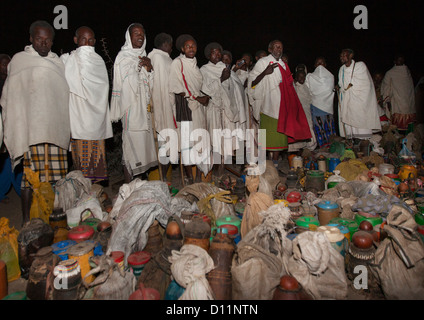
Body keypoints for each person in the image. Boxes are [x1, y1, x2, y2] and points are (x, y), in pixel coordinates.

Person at [0, 20, 70, 225]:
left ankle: (56, 219)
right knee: (29, 180)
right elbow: (11, 97)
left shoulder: (58, 63)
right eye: (39, 39)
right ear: (31, 39)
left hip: (54, 131)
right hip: (31, 132)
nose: (43, 43)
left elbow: (63, 96)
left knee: (57, 179)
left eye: (48, 40)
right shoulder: (20, 61)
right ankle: (26, 221)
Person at [61, 26, 113, 184]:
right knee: (81, 164)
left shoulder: (98, 60)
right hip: (78, 118)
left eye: (90, 40)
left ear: (95, 42)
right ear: (76, 40)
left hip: (96, 120)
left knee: (97, 162)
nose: (87, 43)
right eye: (83, 39)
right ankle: (82, 194)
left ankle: (96, 195)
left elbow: (103, 89)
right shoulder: (67, 60)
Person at [247, 40, 311, 168]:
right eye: (276, 47)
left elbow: (289, 86)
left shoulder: (283, 65)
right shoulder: (262, 62)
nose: (279, 49)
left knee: (278, 140)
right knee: (266, 139)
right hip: (267, 106)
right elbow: (251, 83)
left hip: (281, 107)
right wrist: (265, 72)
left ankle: (275, 166)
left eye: (281, 47)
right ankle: (263, 165)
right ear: (270, 49)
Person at [111, 23, 157, 183]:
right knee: (131, 152)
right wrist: (139, 66)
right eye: (136, 33)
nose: (140, 36)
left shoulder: (145, 56)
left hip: (144, 111)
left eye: (142, 34)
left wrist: (149, 69)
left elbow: (150, 87)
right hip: (131, 110)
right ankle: (130, 188)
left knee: (143, 152)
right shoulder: (123, 57)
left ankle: (140, 186)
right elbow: (126, 82)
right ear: (129, 37)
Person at [168, 34, 210, 183]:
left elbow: (199, 87)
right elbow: (175, 86)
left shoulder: (195, 66)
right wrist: (197, 97)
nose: (191, 48)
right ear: (182, 48)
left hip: (197, 107)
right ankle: (189, 178)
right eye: (188, 46)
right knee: (187, 142)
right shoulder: (177, 63)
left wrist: (204, 97)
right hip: (184, 107)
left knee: (199, 139)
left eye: (193, 46)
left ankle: (199, 176)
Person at [200, 43, 246, 175]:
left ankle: (222, 172)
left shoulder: (225, 68)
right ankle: (216, 173)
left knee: (226, 144)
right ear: (209, 55)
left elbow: (234, 90)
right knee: (216, 144)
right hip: (214, 111)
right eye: (214, 52)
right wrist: (221, 79)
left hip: (227, 112)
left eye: (219, 52)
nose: (218, 55)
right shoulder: (204, 70)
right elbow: (206, 91)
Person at [147, 32, 176, 181]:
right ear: (166, 44)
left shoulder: (165, 59)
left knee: (167, 143)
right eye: (171, 45)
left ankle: (165, 178)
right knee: (162, 144)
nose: (171, 48)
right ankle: (162, 178)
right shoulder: (157, 57)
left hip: (167, 106)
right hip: (161, 106)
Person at [336, 49, 381, 139]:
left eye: (344, 55)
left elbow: (366, 85)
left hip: (359, 101)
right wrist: (339, 87)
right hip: (347, 101)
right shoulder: (342, 70)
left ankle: (364, 142)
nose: (342, 57)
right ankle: (352, 142)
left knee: (360, 124)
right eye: (341, 55)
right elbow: (342, 84)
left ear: (351, 55)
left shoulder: (360, 66)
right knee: (349, 126)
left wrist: (351, 89)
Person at [0, 54, 22, 204]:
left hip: (12, 125)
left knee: (13, 158)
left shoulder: (13, 81)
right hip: (2, 124)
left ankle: (20, 190)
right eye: (3, 64)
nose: (7, 67)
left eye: (9, 64)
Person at [305, 56, 336, 147]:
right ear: (315, 65)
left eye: (322, 63)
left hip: (328, 109)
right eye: (318, 63)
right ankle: (321, 150)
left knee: (329, 131)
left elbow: (329, 91)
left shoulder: (330, 77)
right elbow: (307, 91)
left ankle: (332, 150)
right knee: (318, 131)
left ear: (325, 65)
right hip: (315, 108)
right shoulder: (310, 76)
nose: (320, 66)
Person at [381, 54, 416, 131]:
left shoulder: (407, 72)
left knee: (407, 129)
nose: (400, 62)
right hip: (396, 101)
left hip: (407, 102)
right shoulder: (390, 73)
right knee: (397, 128)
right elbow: (387, 87)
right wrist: (387, 100)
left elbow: (410, 89)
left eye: (402, 60)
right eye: (399, 60)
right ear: (395, 61)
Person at [289, 70, 316, 152]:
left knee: (309, 127)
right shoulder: (294, 86)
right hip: (298, 112)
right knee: (300, 130)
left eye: (303, 77)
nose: (302, 79)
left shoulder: (305, 86)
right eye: (300, 77)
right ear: (296, 77)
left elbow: (309, 99)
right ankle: (296, 149)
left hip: (306, 111)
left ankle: (310, 148)